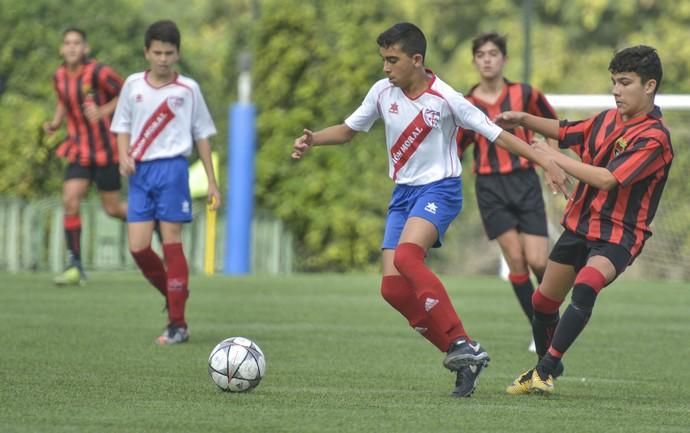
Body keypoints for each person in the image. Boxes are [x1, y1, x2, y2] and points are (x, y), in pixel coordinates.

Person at [292, 22, 566, 397]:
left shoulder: (448, 98)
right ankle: (464, 353)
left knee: (407, 256)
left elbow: (499, 135)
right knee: (391, 289)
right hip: (403, 195)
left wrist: (544, 161)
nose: (386, 68)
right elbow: (348, 130)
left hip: (441, 189)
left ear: (417, 60)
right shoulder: (381, 92)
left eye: (393, 60)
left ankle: (461, 342)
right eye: (383, 60)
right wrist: (314, 140)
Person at [496, 45, 673, 395]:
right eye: (614, 82)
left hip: (620, 235)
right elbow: (565, 131)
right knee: (542, 303)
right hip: (580, 226)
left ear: (649, 86)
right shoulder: (606, 120)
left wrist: (554, 159)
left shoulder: (655, 137)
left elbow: (607, 178)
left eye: (625, 83)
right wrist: (524, 120)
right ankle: (551, 363)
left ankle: (543, 370)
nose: (616, 90)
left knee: (587, 284)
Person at [111, 20, 221, 345]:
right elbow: (122, 125)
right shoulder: (133, 85)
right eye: (156, 52)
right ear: (146, 52)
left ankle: (178, 323)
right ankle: (176, 292)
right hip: (141, 173)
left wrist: (213, 183)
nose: (162, 58)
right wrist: (122, 156)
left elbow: (202, 135)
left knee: (171, 242)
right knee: (138, 247)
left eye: (168, 53)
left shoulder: (188, 90)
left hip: (173, 170)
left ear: (178, 54)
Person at [456, 32, 560, 353]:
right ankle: (539, 330)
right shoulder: (466, 104)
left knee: (539, 261)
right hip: (490, 187)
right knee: (516, 261)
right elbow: (457, 148)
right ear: (474, 61)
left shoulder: (524, 93)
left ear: (504, 59)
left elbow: (552, 124)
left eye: (493, 53)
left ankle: (549, 314)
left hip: (525, 181)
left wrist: (551, 161)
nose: (487, 59)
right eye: (481, 54)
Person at [43, 28, 127, 286]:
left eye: (76, 43)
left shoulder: (100, 72)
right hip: (79, 150)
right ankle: (75, 265)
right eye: (67, 43)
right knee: (70, 199)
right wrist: (56, 123)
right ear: (61, 48)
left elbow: (127, 93)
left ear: (86, 48)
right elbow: (63, 100)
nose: (71, 48)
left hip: (107, 150)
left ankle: (151, 220)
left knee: (112, 209)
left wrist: (103, 110)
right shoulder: (59, 76)